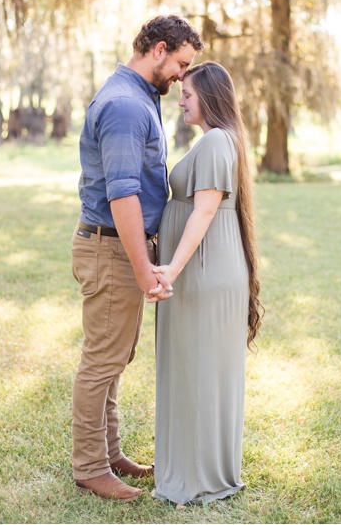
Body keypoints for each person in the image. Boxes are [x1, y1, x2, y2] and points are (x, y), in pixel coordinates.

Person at [72, 14, 204, 501]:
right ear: (159, 49)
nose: (182, 76)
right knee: (101, 360)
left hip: (114, 246)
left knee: (114, 356)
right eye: (181, 64)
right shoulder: (127, 105)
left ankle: (110, 453)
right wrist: (143, 266)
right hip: (111, 246)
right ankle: (89, 466)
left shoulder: (136, 97)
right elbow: (122, 195)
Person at [148, 60, 262, 506]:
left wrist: (170, 270)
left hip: (202, 273)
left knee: (200, 372)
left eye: (188, 94)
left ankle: (201, 477)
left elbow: (205, 210)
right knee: (196, 371)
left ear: (209, 97)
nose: (181, 100)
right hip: (203, 270)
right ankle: (193, 464)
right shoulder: (218, 140)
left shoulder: (216, 140)